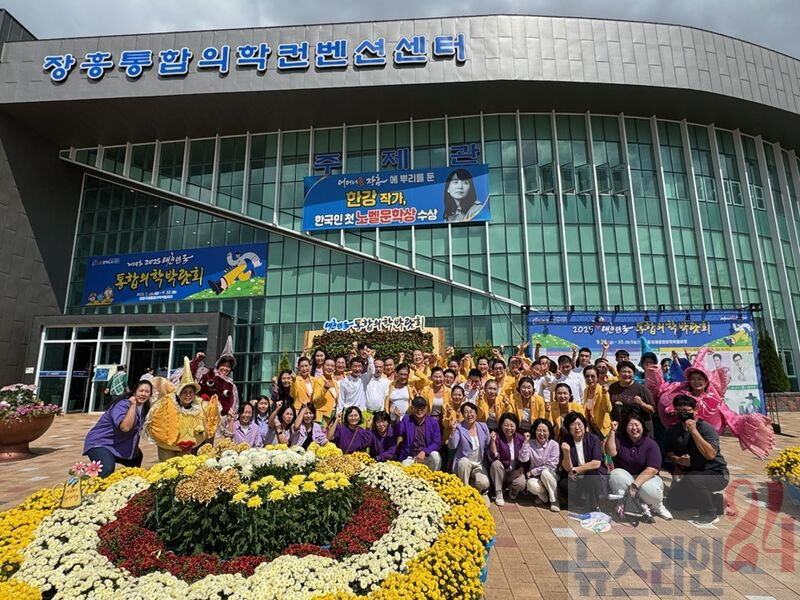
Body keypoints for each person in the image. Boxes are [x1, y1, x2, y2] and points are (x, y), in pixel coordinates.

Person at [646, 348, 774, 458]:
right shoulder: (680, 392)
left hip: (705, 440)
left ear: (706, 381)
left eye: (700, 379)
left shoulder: (712, 398)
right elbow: (664, 396)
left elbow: (728, 415)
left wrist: (748, 423)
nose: (696, 382)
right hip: (681, 439)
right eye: (693, 379)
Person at [664, 395, 730, 525]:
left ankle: (709, 514)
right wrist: (678, 459)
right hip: (692, 475)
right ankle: (715, 500)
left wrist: (694, 431)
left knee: (694, 479)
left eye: (687, 410)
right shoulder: (672, 431)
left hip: (716, 473)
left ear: (695, 411)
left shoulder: (706, 429)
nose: (683, 414)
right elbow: (668, 453)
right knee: (673, 501)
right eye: (679, 411)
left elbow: (710, 454)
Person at [604, 413, 672, 520]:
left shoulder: (651, 444)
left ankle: (657, 506)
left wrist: (635, 486)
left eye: (637, 425)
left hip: (647, 479)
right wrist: (612, 431)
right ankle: (623, 502)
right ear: (625, 428)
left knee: (648, 489)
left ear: (642, 427)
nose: (634, 428)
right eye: (631, 425)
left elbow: (652, 469)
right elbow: (611, 452)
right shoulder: (620, 439)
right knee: (615, 474)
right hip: (626, 477)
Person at [146, 360, 215, 461]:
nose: (188, 395)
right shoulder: (166, 404)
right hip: (167, 446)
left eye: (191, 392)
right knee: (166, 466)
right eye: (185, 392)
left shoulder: (200, 406)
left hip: (187, 446)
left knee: (184, 466)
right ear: (179, 393)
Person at [84, 380, 152, 477]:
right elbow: (125, 428)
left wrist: (135, 446)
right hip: (100, 443)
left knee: (136, 457)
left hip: (118, 444)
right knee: (107, 468)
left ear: (150, 395)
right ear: (134, 392)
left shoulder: (145, 408)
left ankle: (131, 483)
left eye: (147, 392)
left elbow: (137, 430)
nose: (143, 394)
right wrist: (132, 406)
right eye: (141, 391)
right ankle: (97, 486)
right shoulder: (122, 405)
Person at [558, 411, 607, 512]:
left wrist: (576, 470)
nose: (577, 428)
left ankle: (594, 506)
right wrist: (566, 452)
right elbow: (567, 468)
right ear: (568, 428)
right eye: (572, 425)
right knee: (563, 484)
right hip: (576, 478)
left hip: (592, 474)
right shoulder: (565, 440)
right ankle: (579, 502)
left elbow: (596, 463)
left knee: (591, 473)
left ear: (584, 425)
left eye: (579, 424)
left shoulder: (593, 439)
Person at [188, 335, 240, 426]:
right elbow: (191, 374)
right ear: (218, 365)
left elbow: (233, 407)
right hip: (200, 416)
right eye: (223, 365)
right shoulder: (208, 373)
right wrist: (197, 360)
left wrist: (229, 417)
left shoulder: (231, 386)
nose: (225, 368)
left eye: (228, 366)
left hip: (218, 422)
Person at [447, 401, 491, 502]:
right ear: (463, 415)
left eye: (471, 411)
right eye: (466, 412)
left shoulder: (483, 426)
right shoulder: (459, 427)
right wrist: (453, 431)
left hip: (478, 464)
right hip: (465, 463)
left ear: (476, 413)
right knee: (464, 462)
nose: (469, 414)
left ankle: (475, 487)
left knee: (484, 483)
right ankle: (465, 490)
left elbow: (487, 443)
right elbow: (452, 446)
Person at [520, 418, 560, 512]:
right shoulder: (531, 443)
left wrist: (533, 472)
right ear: (535, 431)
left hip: (551, 476)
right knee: (530, 484)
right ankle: (545, 498)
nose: (541, 434)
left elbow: (551, 466)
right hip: (537, 478)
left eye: (544, 431)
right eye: (539, 430)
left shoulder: (554, 445)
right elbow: (523, 459)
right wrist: (525, 443)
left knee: (545, 473)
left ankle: (554, 501)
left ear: (549, 432)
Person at [489, 413, 528, 506]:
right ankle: (498, 492)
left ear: (516, 426)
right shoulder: (497, 437)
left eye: (512, 425)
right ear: (501, 425)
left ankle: (513, 491)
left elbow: (526, 458)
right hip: (501, 472)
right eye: (506, 425)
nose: (509, 428)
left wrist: (521, 469)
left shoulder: (521, 438)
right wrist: (493, 442)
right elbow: (494, 457)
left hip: (514, 472)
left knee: (521, 483)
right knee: (496, 464)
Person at [608, 361, 655, 433]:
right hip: (620, 430)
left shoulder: (641, 389)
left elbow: (652, 410)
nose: (627, 374)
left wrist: (641, 403)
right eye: (623, 372)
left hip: (639, 430)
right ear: (618, 373)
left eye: (629, 372)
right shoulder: (613, 387)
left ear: (633, 373)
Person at [396, 396, 442, 470]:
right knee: (404, 466)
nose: (419, 410)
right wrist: (398, 419)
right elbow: (399, 432)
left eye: (422, 407)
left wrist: (425, 451)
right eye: (417, 407)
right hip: (410, 457)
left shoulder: (433, 422)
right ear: (412, 408)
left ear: (426, 408)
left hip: (426, 456)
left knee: (436, 456)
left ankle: (433, 476)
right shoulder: (407, 419)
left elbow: (437, 443)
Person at [583, 366, 612, 438]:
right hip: (591, 428)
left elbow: (607, 409)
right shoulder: (586, 390)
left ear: (598, 377)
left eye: (592, 376)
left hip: (603, 430)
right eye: (587, 376)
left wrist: (605, 394)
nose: (590, 379)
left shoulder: (602, 390)